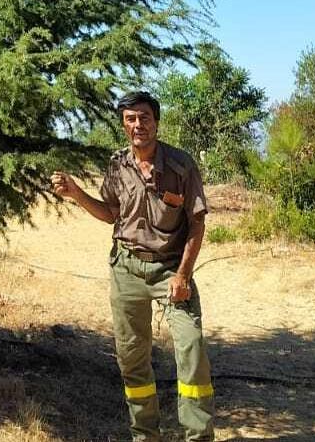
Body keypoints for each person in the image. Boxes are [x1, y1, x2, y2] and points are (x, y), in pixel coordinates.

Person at [51, 90, 213, 442]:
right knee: (132, 358)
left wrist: (183, 274)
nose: (138, 125)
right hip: (126, 269)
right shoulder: (117, 165)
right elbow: (111, 214)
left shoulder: (181, 166)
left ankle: (198, 435)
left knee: (191, 350)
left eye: (144, 117)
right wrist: (76, 193)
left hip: (171, 269)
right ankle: (145, 435)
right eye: (130, 119)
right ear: (123, 125)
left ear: (156, 122)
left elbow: (197, 225)